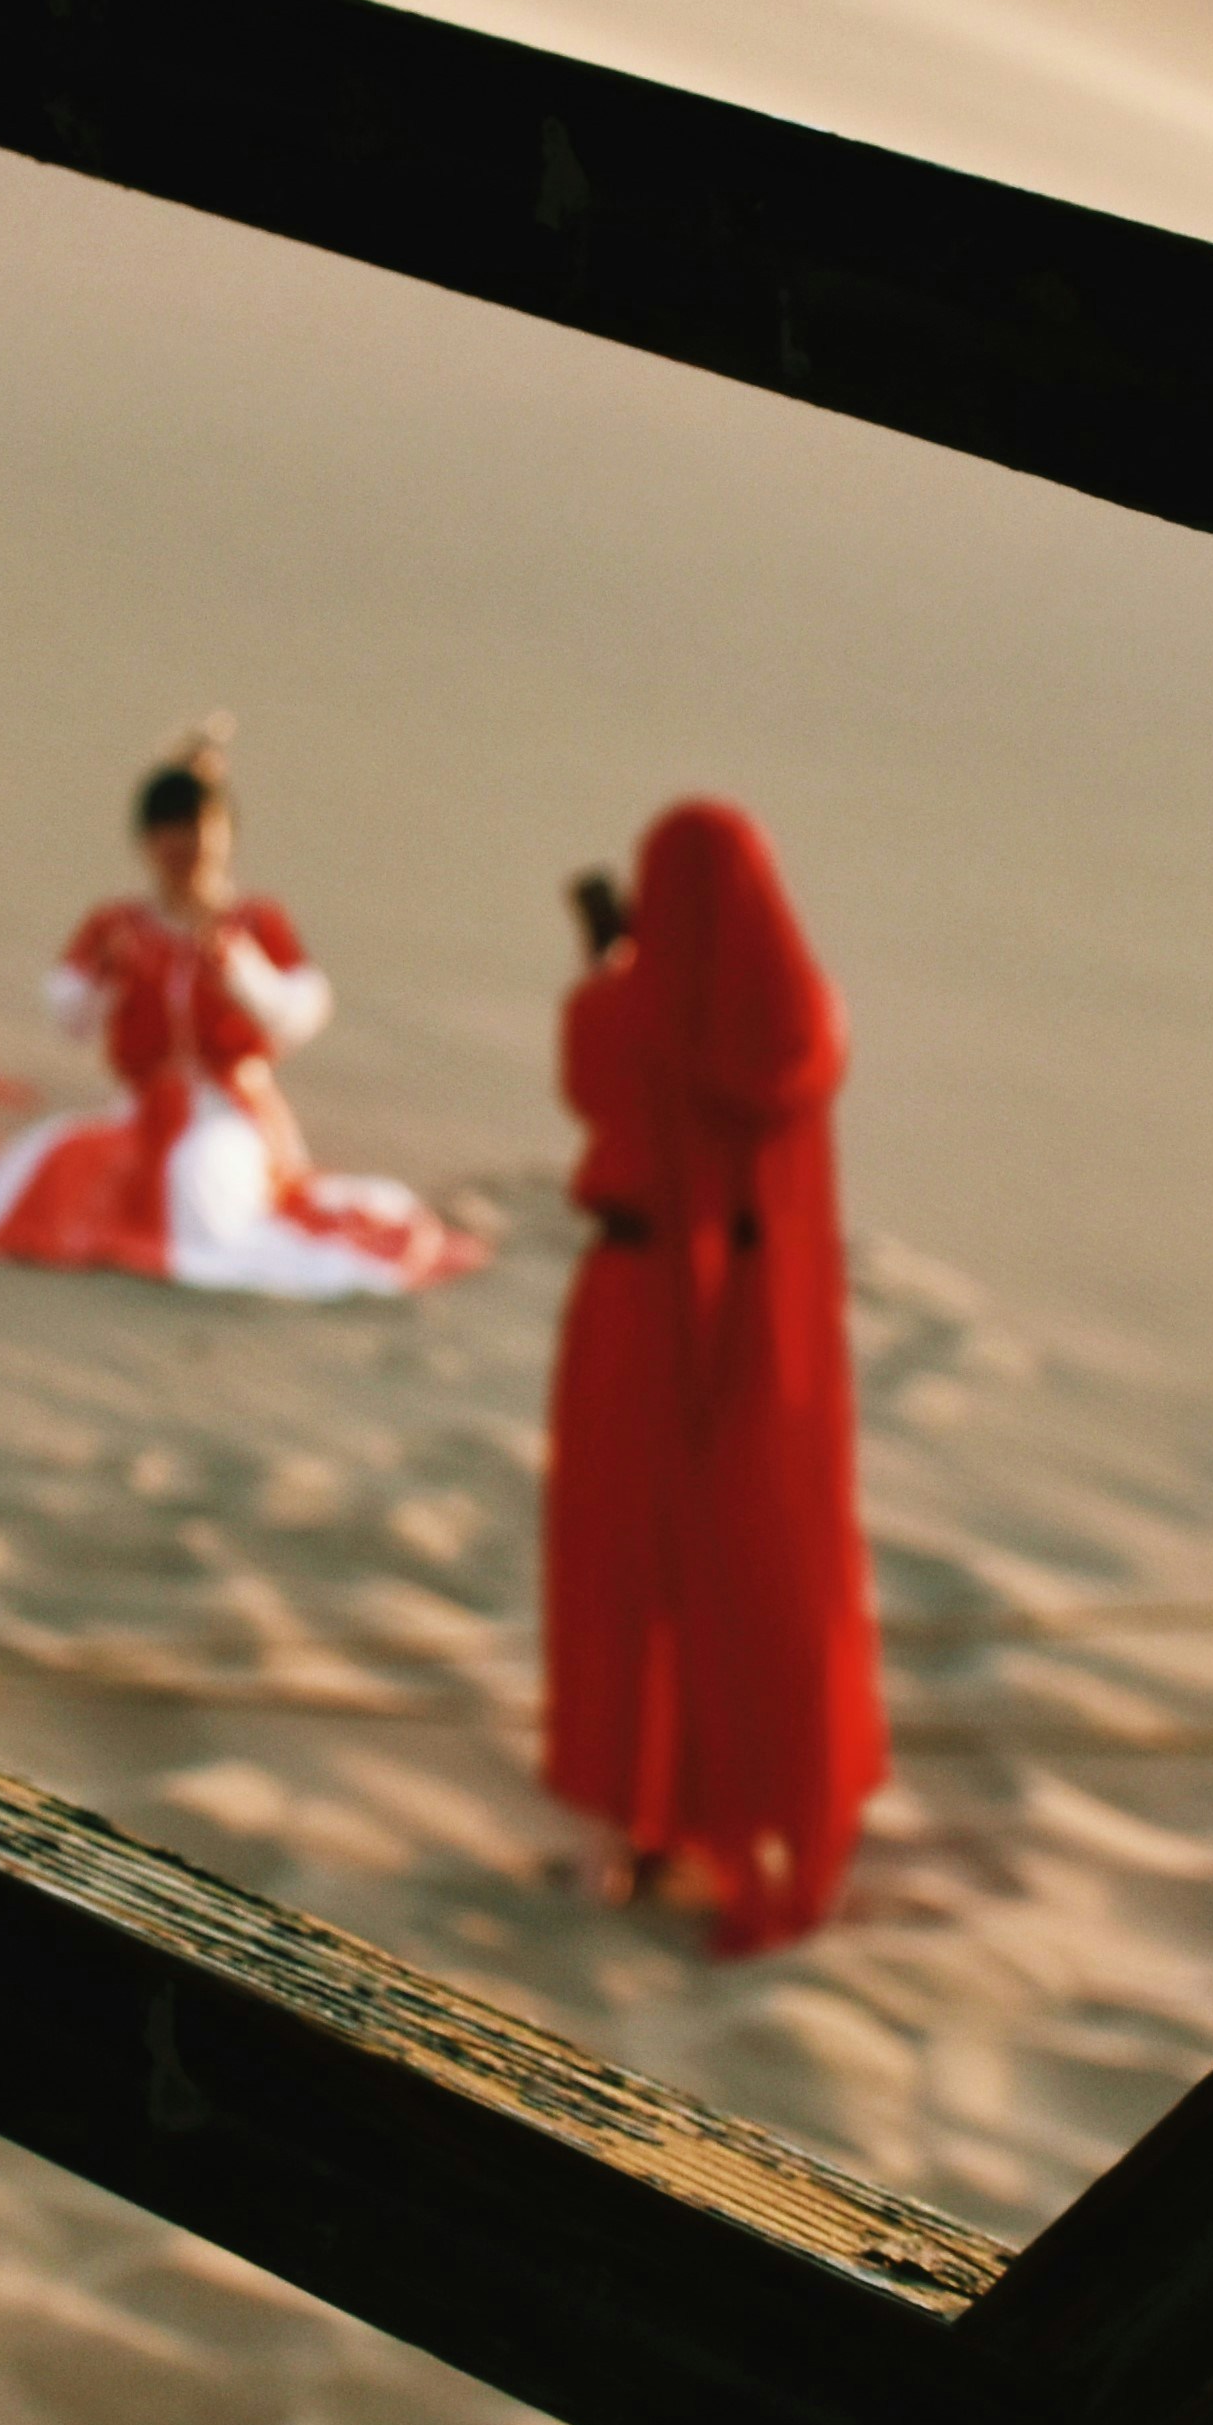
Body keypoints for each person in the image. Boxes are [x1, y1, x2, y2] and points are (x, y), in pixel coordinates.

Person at [538, 799, 879, 1953]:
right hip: (754, 1334)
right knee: (746, 1568)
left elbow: (595, 1084)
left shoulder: (619, 1010)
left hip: (637, 1313)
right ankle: (750, 1814)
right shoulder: (803, 1021)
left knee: (622, 1568)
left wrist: (615, 969)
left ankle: (621, 1834)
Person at [0, 726, 484, 1296]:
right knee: (58, 1161)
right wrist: (103, 972)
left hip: (232, 1108)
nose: (183, 845)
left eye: (196, 827)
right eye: (169, 830)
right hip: (143, 1109)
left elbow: (299, 1014)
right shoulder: (118, 924)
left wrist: (241, 975)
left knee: (199, 1188)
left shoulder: (254, 923)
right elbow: (69, 1018)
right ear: (147, 841)